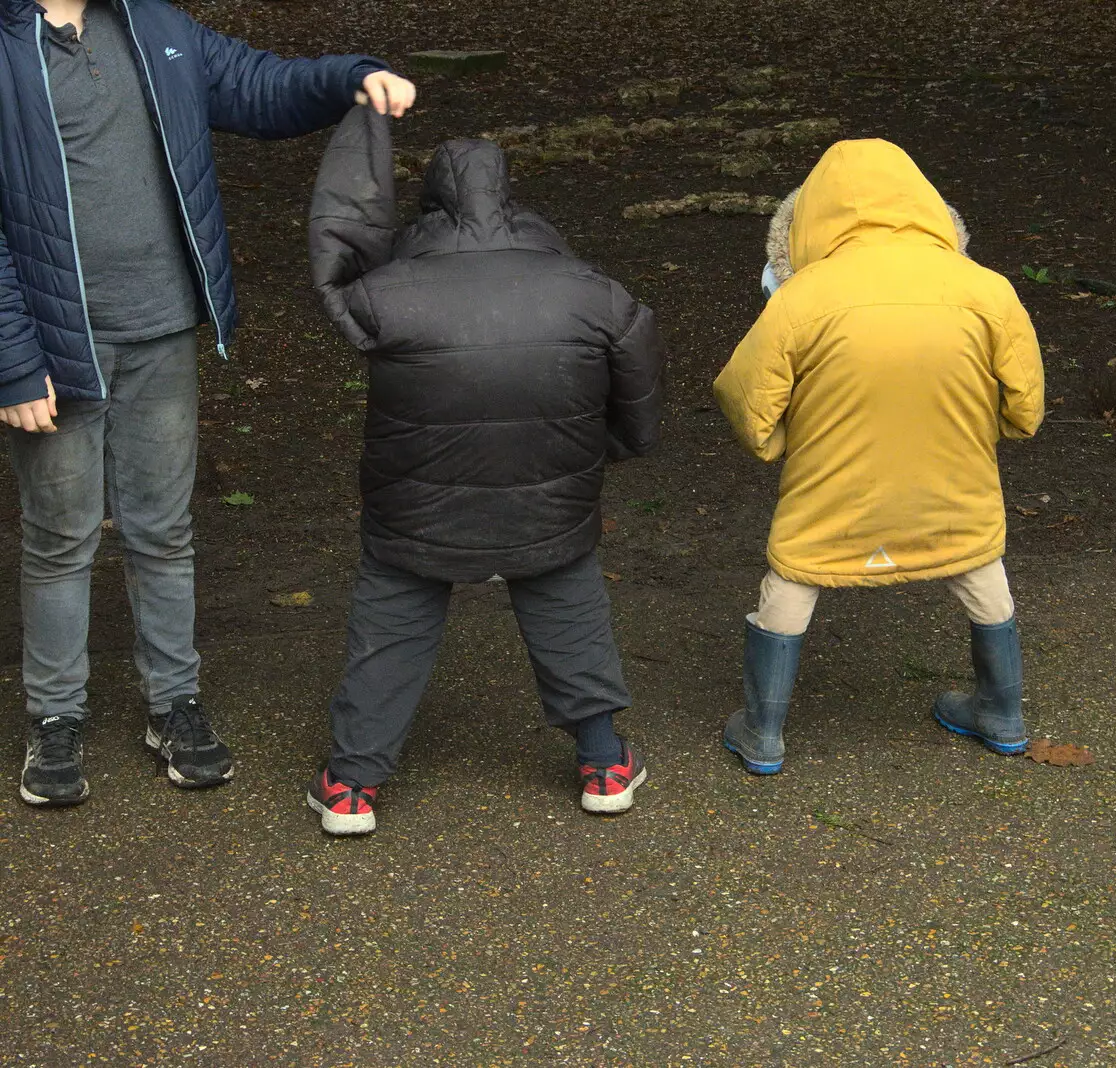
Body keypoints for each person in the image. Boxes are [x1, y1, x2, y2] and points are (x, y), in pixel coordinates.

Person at [0, 0, 416, 807]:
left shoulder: (152, 24)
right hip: (58, 344)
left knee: (163, 529)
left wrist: (352, 74)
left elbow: (261, 86)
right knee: (60, 537)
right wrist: (13, 364)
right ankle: (55, 719)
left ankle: (174, 705)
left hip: (162, 328)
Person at [304, 107, 664, 835]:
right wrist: (609, 450)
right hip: (550, 500)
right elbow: (639, 384)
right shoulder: (589, 289)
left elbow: (341, 255)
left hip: (415, 509)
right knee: (566, 603)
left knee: (394, 621)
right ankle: (603, 763)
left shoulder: (385, 293)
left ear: (432, 202)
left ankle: (350, 786)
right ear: (510, 198)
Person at [713, 138, 1045, 775]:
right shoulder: (987, 290)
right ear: (927, 208)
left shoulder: (801, 299)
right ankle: (1002, 715)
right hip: (952, 480)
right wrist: (986, 430)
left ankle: (763, 731)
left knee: (796, 571)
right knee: (977, 560)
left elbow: (747, 402)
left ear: (809, 220)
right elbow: (1026, 408)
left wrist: (781, 444)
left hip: (832, 484)